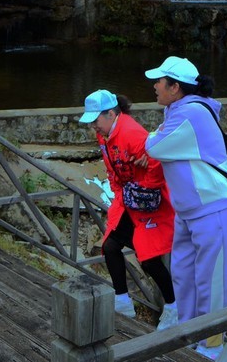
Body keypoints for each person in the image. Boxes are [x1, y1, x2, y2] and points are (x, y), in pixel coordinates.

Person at [144, 56, 227, 360]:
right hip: (190, 212)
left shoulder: (190, 114)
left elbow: (154, 146)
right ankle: (187, 338)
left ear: (175, 87)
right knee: (184, 275)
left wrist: (152, 136)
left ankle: (212, 348)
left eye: (160, 81)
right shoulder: (178, 110)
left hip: (214, 208)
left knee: (212, 282)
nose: (155, 86)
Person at [79, 89, 179, 330]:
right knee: (111, 245)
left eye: (96, 121)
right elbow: (111, 167)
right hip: (128, 200)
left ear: (111, 114)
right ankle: (123, 301)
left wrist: (144, 190)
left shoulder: (133, 133)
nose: (94, 126)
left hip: (149, 203)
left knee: (150, 258)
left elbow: (156, 163)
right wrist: (118, 192)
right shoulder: (104, 136)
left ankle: (173, 308)